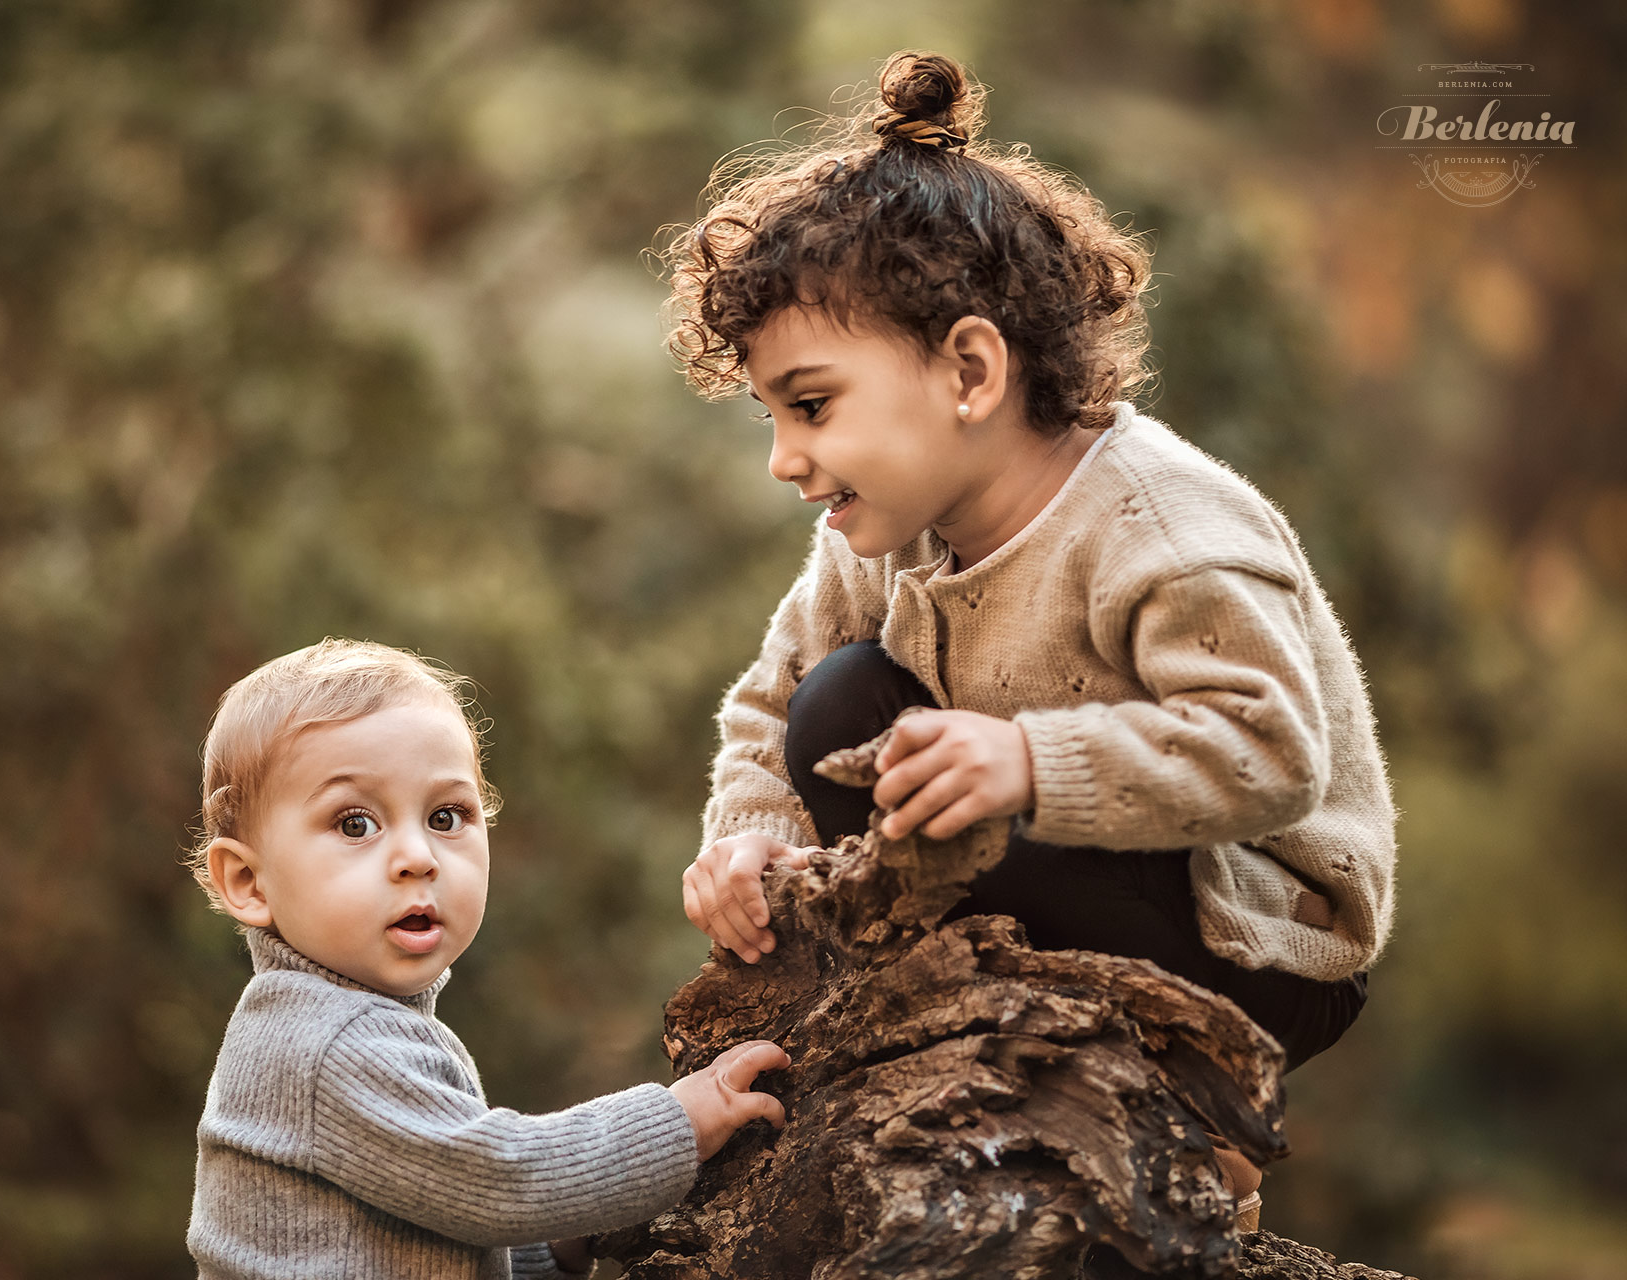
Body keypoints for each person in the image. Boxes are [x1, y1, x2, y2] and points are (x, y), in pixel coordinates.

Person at [668, 51, 1395, 1247]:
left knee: (927, 762)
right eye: (772, 418)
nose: (784, 458)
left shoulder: (1166, 533)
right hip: (1046, 877)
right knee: (837, 704)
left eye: (811, 405)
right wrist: (749, 835)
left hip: (1249, 933)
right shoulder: (882, 529)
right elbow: (768, 702)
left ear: (969, 369)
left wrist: (1030, 760)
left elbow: (1270, 752)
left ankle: (1173, 1092)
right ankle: (975, 1047)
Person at [185, 638, 789, 1279]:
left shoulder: (345, 1019)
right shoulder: (324, 1041)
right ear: (248, 882)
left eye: (446, 816)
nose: (418, 856)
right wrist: (677, 1122)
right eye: (355, 823)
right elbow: (499, 1178)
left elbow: (426, 1233)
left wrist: (551, 1247)